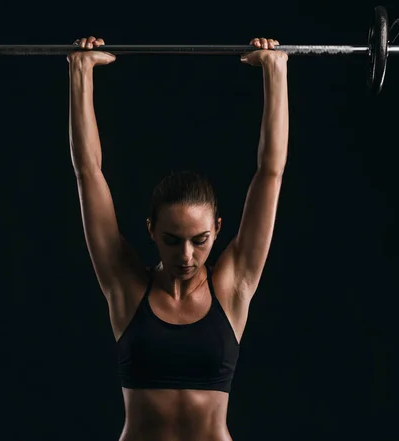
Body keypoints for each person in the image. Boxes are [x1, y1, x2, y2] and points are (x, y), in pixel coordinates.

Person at [67, 36, 288, 441]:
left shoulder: (233, 285)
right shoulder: (126, 286)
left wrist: (276, 73)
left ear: (218, 229)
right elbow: (88, 174)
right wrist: (80, 73)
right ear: (151, 229)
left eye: (200, 240)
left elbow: (269, 173)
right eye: (171, 240)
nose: (186, 255)